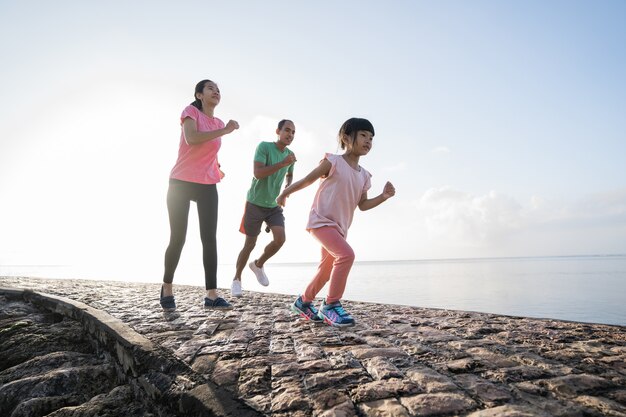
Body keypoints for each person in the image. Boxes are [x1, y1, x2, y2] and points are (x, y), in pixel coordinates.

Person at [276, 118, 396, 327]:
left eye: (371, 138)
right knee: (347, 255)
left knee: (326, 271)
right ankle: (331, 305)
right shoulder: (333, 162)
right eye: (363, 135)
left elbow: (364, 205)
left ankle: (303, 302)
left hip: (339, 229)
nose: (368, 141)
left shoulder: (364, 176)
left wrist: (384, 196)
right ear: (346, 138)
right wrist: (285, 191)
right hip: (321, 222)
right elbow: (308, 179)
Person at [160, 79, 239, 311]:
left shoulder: (218, 121)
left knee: (209, 238)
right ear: (199, 94)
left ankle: (211, 295)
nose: (216, 91)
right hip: (180, 183)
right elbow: (192, 139)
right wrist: (225, 130)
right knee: (178, 238)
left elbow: (209, 151)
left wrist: (216, 166)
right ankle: (167, 286)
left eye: (218, 89)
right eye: (210, 88)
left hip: (207, 184)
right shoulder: (190, 112)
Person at [231, 120, 297, 297]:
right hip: (255, 203)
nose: (290, 135)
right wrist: (283, 163)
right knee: (249, 244)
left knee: (280, 239)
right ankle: (236, 279)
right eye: (287, 130)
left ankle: (258, 265)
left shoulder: (291, 155)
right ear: (278, 131)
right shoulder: (264, 147)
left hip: (274, 206)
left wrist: (286, 190)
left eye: (293, 132)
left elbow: (290, 175)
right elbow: (258, 173)